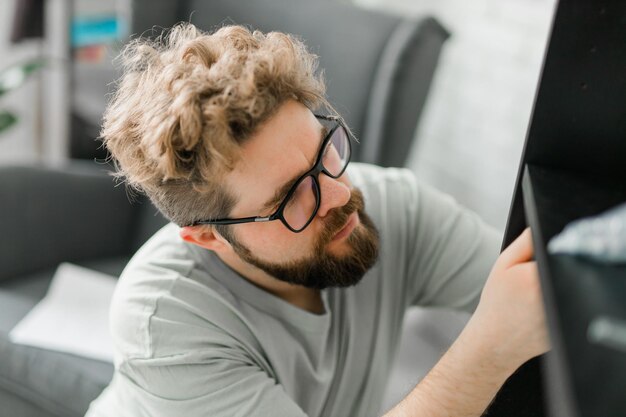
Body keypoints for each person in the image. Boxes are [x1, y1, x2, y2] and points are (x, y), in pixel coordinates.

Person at [86, 23, 549, 417]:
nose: (339, 193)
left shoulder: (388, 205)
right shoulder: (164, 323)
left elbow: (539, 287)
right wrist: (489, 349)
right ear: (208, 237)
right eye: (290, 197)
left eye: (324, 152)